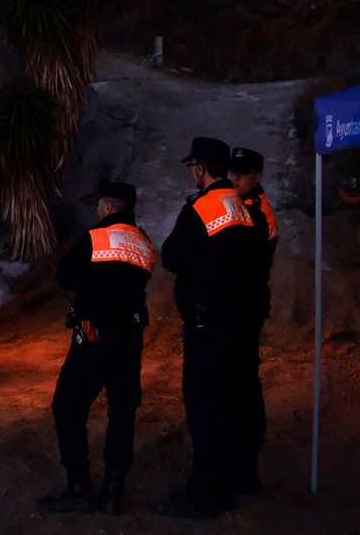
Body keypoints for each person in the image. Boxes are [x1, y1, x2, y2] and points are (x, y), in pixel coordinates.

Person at [152, 137, 255, 519]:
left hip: (206, 325)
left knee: (203, 409)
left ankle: (202, 496)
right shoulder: (240, 206)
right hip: (234, 322)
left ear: (200, 167)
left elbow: (173, 257)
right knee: (225, 406)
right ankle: (224, 487)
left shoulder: (202, 207)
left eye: (194, 167)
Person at [40, 180, 154, 515]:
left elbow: (64, 275)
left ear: (108, 206)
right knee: (122, 412)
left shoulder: (93, 239)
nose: (97, 208)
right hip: (130, 338)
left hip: (94, 337)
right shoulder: (144, 242)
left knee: (67, 406)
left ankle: (79, 486)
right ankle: (112, 493)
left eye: (99, 203)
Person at [227, 146, 278, 494]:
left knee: (242, 384)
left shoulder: (259, 212)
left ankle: (246, 467)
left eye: (241, 174)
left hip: (245, 308)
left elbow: (253, 262)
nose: (234, 179)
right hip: (242, 306)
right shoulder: (241, 205)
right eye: (232, 173)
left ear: (257, 176)